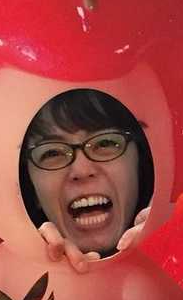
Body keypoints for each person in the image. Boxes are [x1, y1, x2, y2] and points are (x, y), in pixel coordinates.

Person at [20, 89, 153, 261]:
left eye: (105, 143)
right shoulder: (3, 269)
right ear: (31, 188)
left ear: (140, 164)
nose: (81, 170)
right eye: (52, 153)